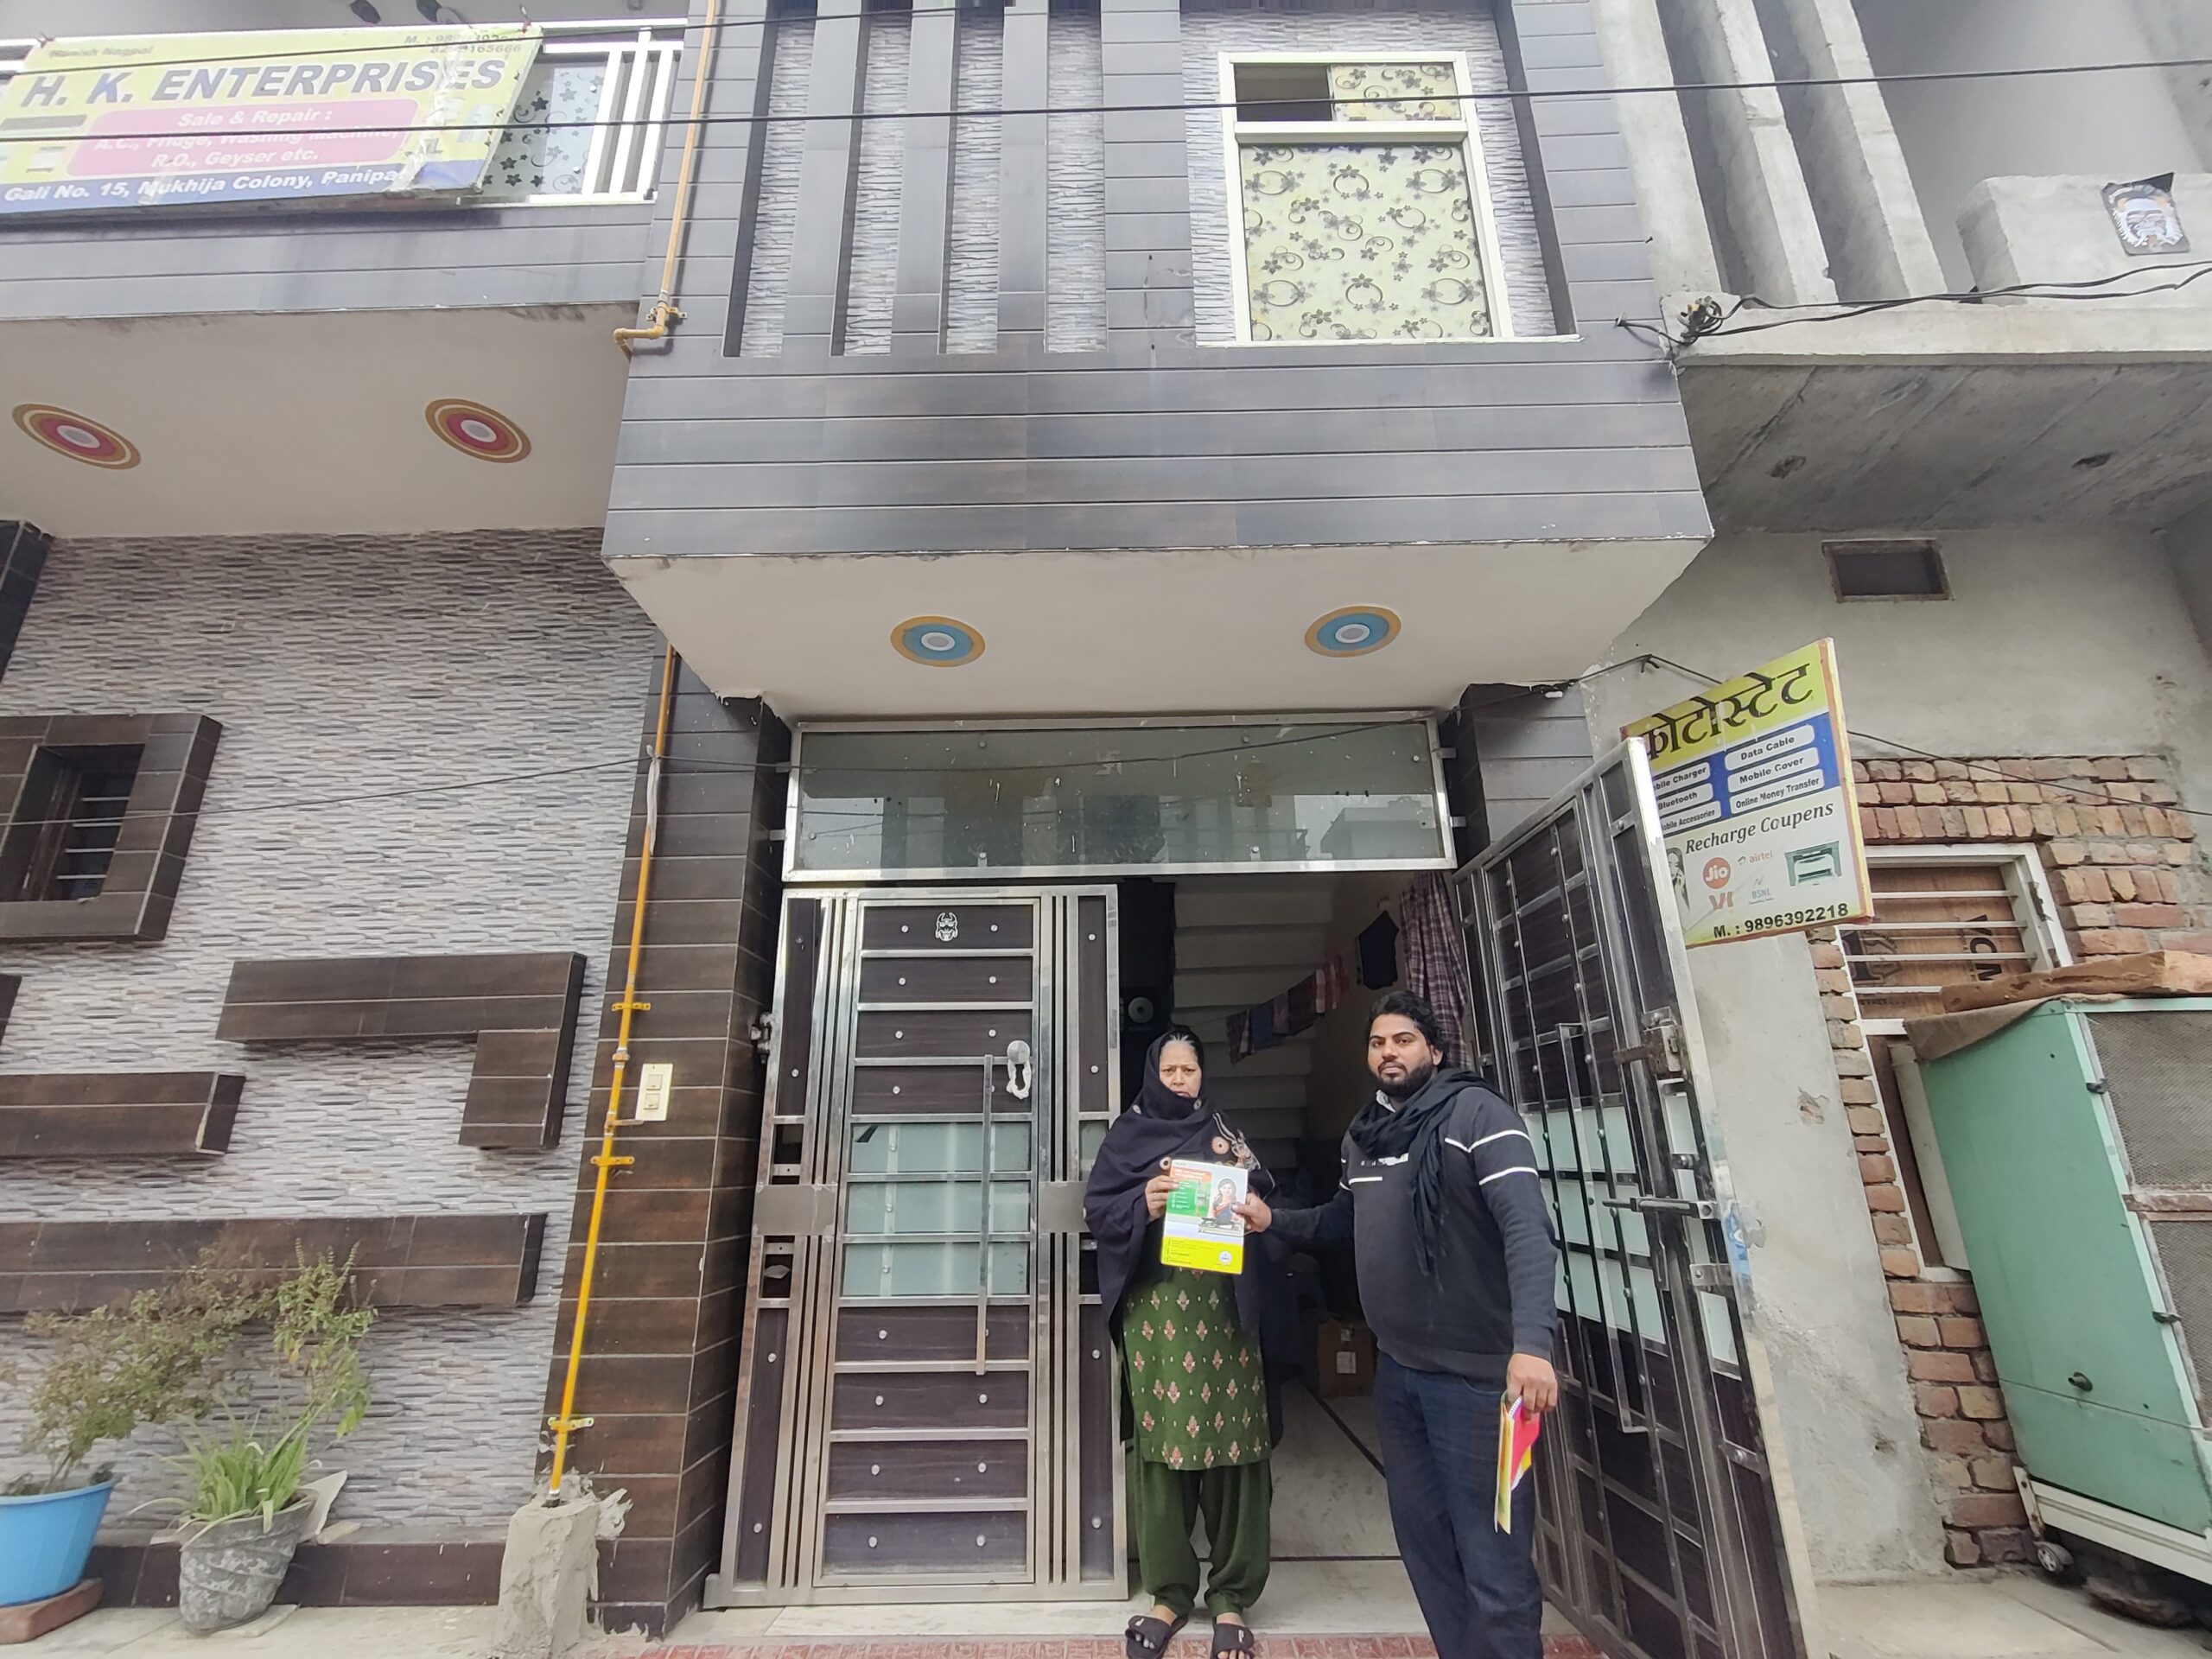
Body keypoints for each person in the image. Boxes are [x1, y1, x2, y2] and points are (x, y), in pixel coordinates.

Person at [1237, 991, 1559, 1659]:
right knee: (1426, 1547)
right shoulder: (1365, 1135)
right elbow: (1341, 1220)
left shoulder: (1479, 1116)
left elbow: (1528, 1230)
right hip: (1400, 1375)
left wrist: (1532, 1345)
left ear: (1434, 1049)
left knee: (1495, 1557)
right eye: (1378, 1042)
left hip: (1479, 1384)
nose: (1389, 1052)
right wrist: (1273, 1221)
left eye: (1404, 1040)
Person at [1087, 1028, 1274, 1659]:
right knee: (1163, 1446)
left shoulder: (1222, 1133)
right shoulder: (1127, 1138)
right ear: (1153, 1074)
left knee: (1234, 1447)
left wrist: (1249, 1202)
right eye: (1169, 1070)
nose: (1178, 1079)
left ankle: (1232, 1598)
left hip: (1225, 1313)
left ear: (1201, 1076)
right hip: (1157, 1317)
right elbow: (1099, 1213)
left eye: (1188, 1070)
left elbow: (1266, 1197)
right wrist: (1142, 1202)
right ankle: (1168, 1594)